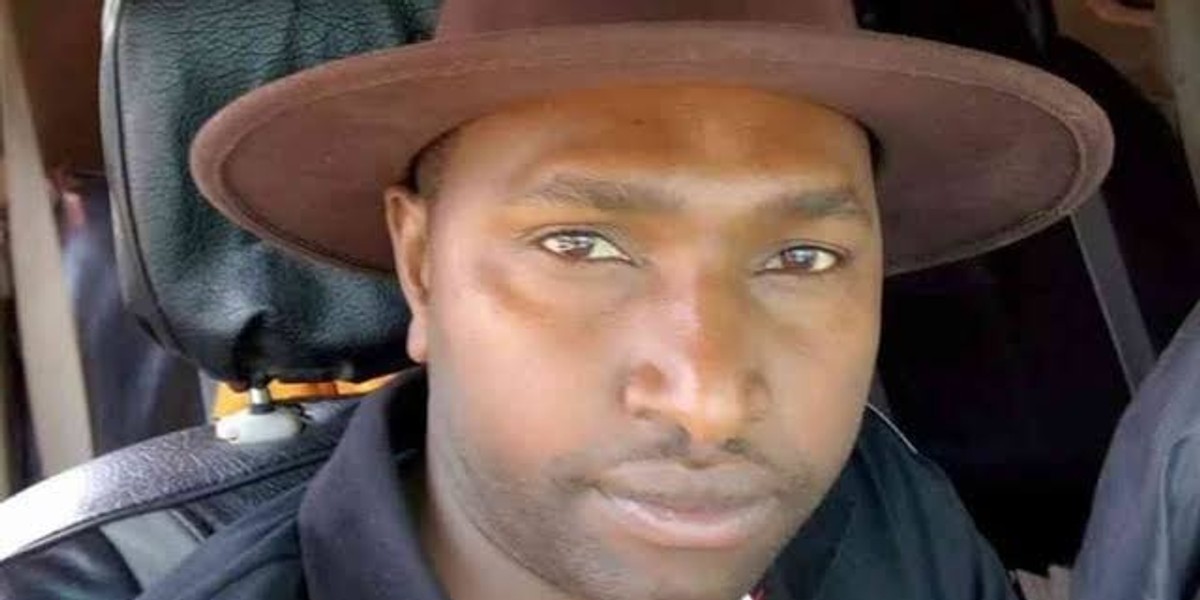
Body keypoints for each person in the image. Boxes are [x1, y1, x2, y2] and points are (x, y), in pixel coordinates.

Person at [23, 0, 1117, 599]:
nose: (709, 400)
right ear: (420, 265)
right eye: (580, 244)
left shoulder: (883, 512)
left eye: (802, 257)